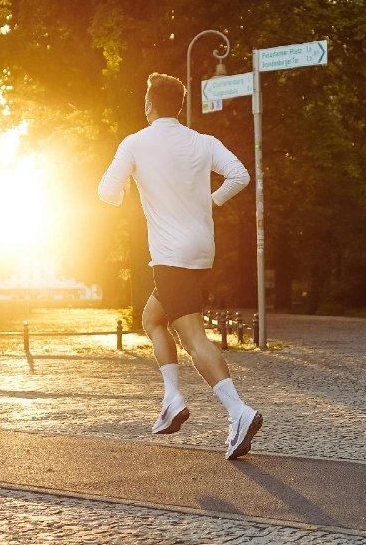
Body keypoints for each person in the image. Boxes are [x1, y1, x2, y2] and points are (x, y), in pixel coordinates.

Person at [98, 72, 262, 460]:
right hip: (200, 251)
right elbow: (240, 174)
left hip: (171, 254)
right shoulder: (203, 142)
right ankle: (172, 398)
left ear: (148, 104)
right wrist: (213, 201)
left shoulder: (135, 143)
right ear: (179, 106)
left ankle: (239, 411)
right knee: (152, 318)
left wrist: (122, 191)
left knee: (192, 336)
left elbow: (107, 192)